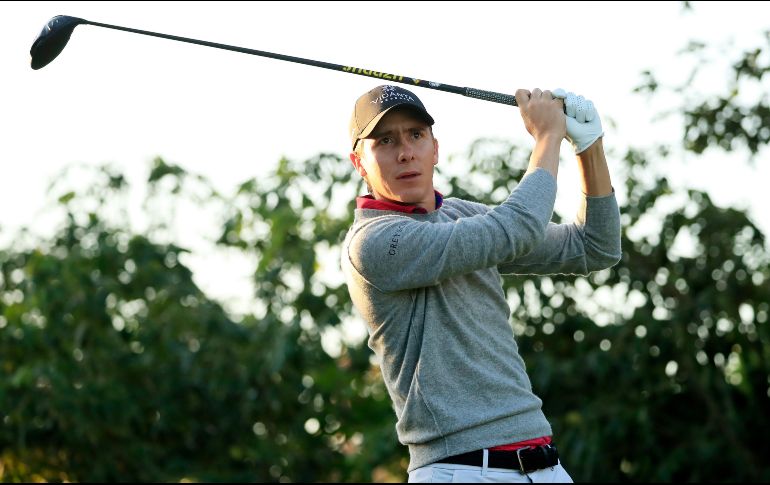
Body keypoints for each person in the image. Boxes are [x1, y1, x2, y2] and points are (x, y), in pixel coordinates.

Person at [340, 84, 621, 483]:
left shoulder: (460, 214)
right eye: (385, 141)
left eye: (416, 135)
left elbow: (594, 247)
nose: (405, 152)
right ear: (359, 163)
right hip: (461, 469)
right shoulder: (372, 243)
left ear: (435, 149)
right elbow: (516, 227)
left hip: (544, 464)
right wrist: (547, 136)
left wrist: (589, 146)